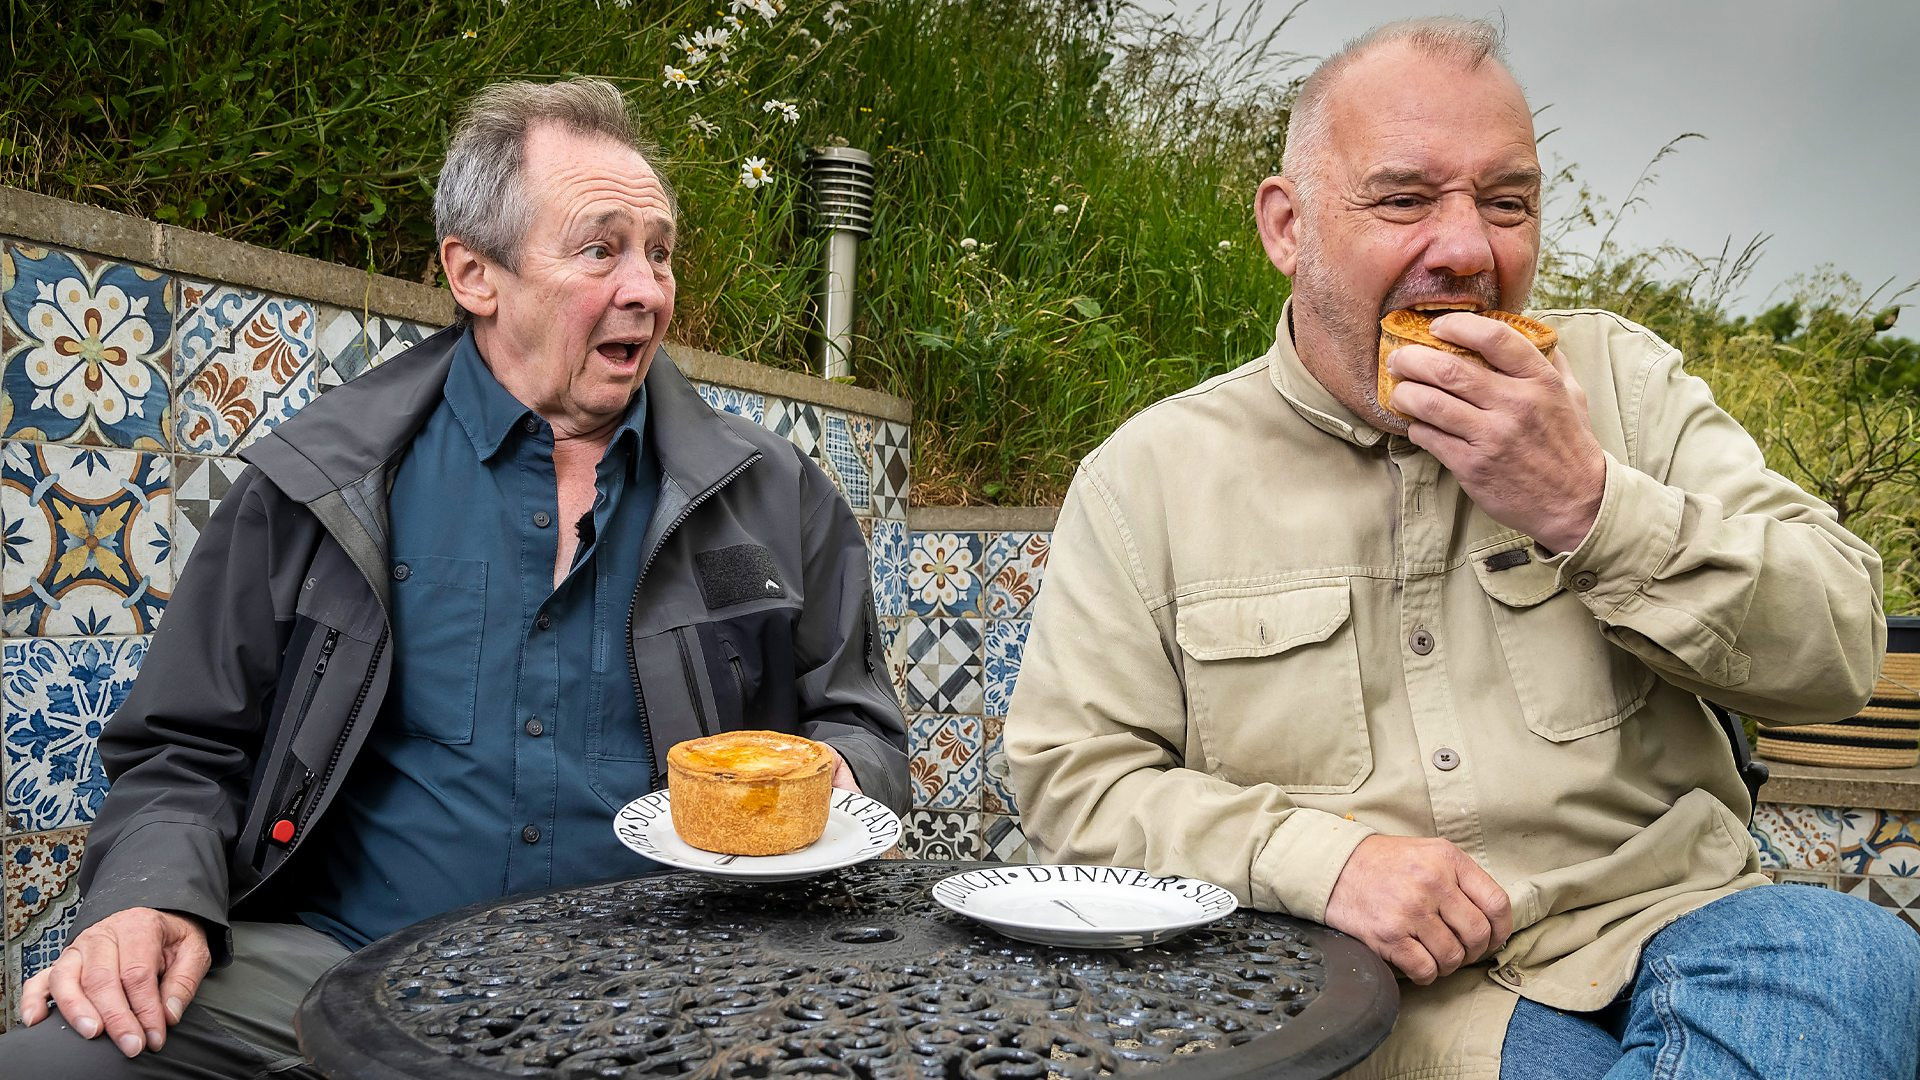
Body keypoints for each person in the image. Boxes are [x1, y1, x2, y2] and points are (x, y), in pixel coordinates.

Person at [1006, 18, 1919, 1080]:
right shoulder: (1149, 476)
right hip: (1378, 988)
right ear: (1286, 227)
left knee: (1859, 960)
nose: (1469, 251)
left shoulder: (1624, 384)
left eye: (1506, 203)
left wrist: (1588, 505)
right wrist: (1322, 860)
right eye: (1404, 199)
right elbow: (1076, 788)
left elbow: (1843, 648)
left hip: (1676, 924)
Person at [0, 77, 908, 1079]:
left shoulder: (776, 494)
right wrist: (147, 895)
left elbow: (860, 725)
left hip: (681, 987)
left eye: (659, 252)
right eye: (601, 249)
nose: (648, 289)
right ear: (476, 274)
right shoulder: (323, 477)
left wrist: (836, 781)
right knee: (55, 1065)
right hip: (349, 964)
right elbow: (182, 745)